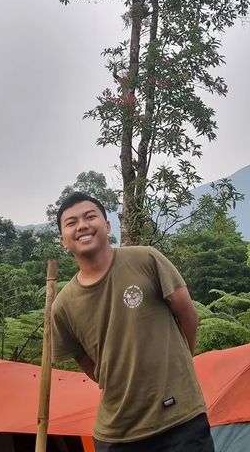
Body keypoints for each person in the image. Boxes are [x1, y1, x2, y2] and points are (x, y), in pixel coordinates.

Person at [51, 192, 214, 452]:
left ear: (107, 225)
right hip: (117, 435)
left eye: (90, 216)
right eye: (71, 222)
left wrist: (175, 370)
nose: (82, 225)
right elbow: (84, 360)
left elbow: (188, 315)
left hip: (180, 421)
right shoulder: (63, 306)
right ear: (63, 240)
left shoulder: (145, 259)